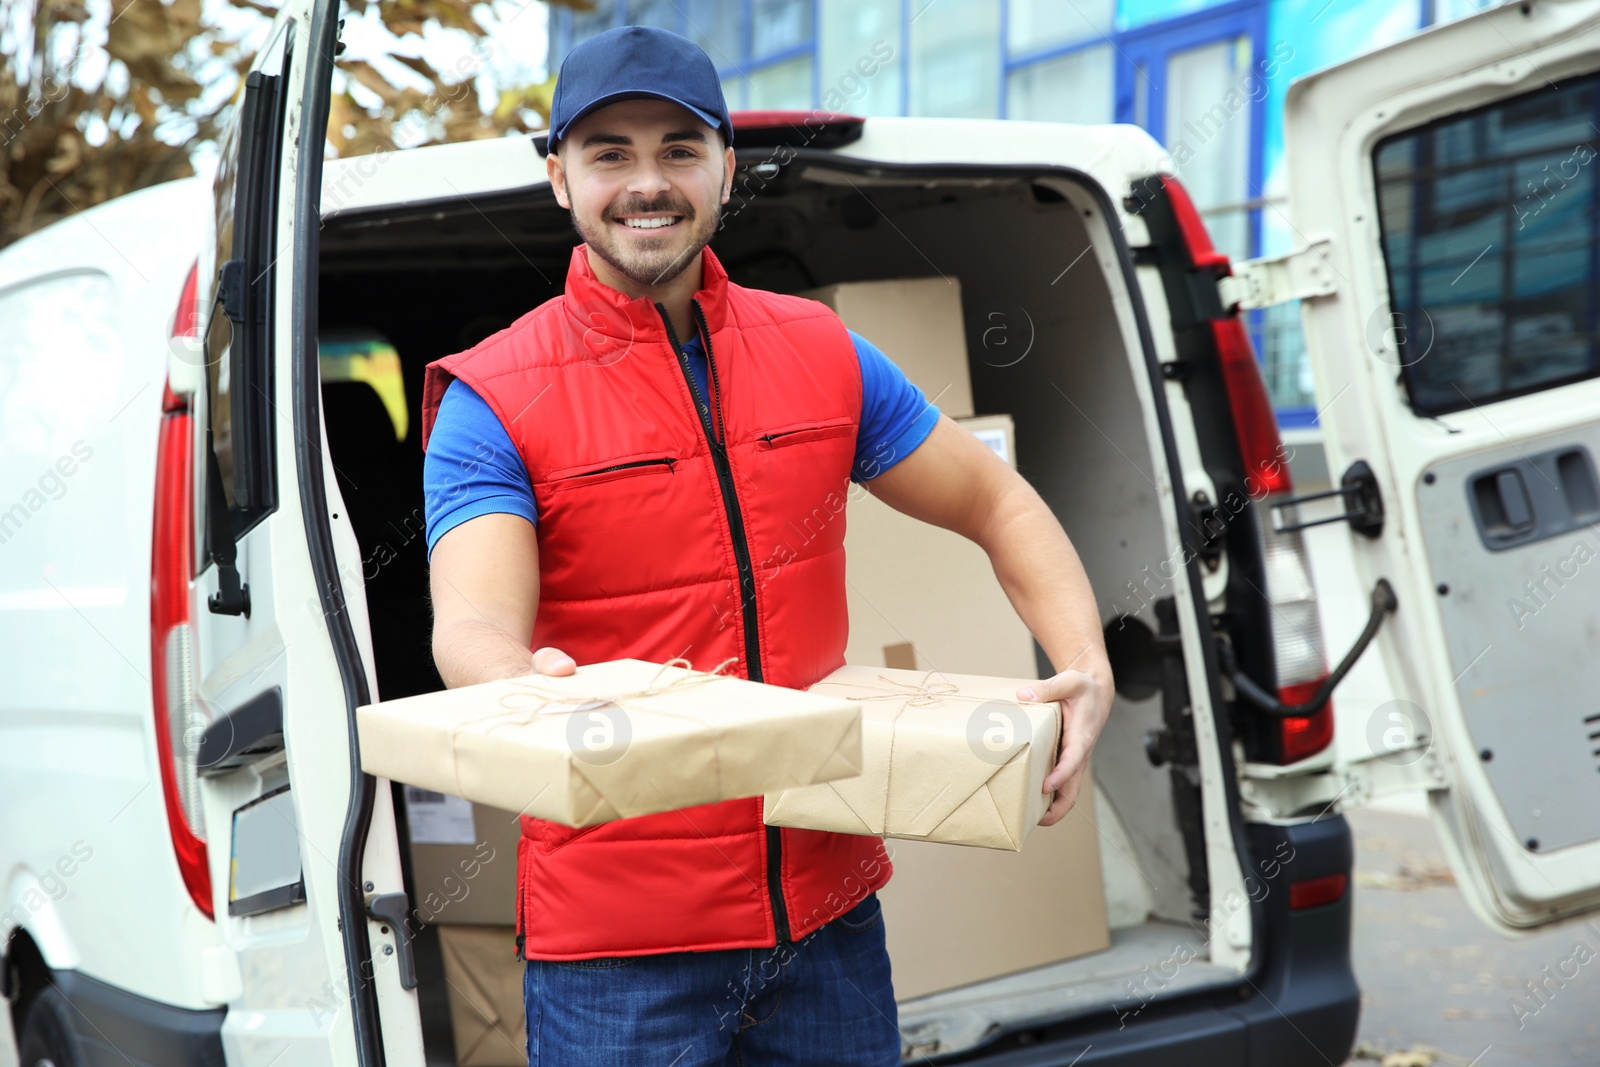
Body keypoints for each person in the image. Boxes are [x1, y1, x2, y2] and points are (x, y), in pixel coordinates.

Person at [418, 24, 1113, 1067]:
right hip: (620, 948)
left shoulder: (820, 350)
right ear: (557, 174)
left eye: (678, 149)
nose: (646, 183)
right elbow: (468, 621)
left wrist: (1084, 664)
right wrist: (525, 682)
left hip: (825, 923)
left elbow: (997, 502)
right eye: (609, 153)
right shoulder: (493, 396)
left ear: (726, 170)